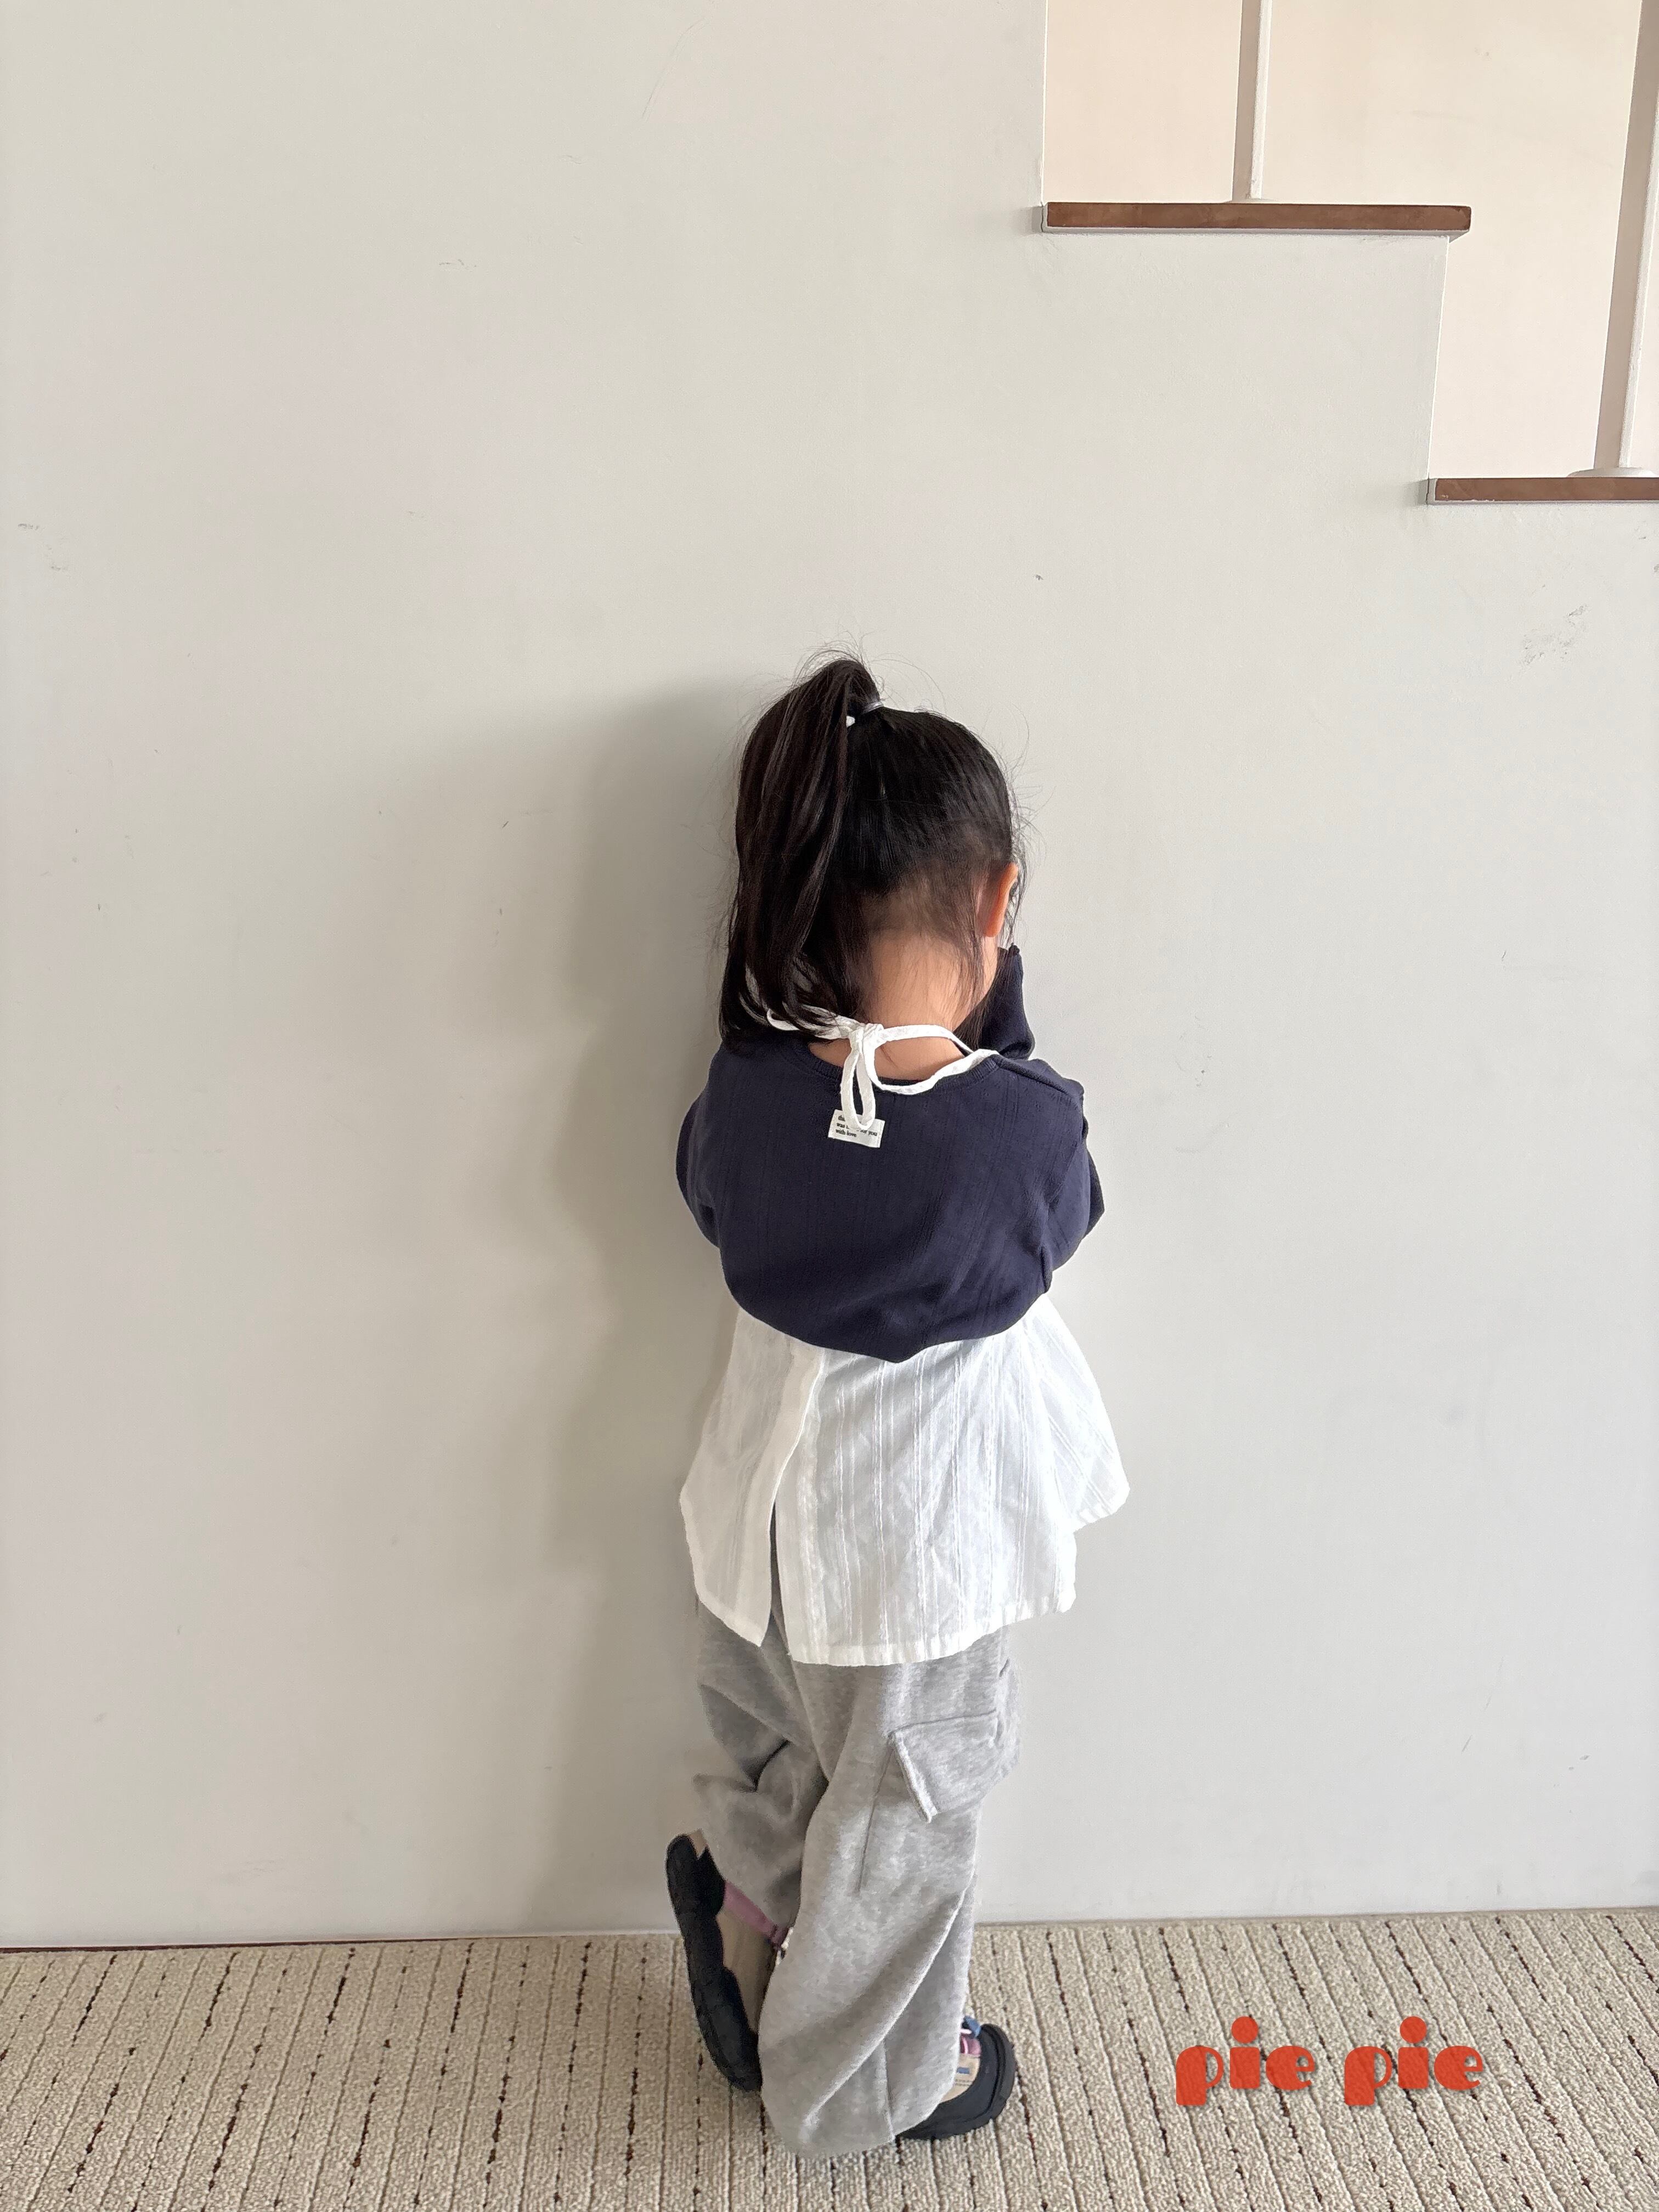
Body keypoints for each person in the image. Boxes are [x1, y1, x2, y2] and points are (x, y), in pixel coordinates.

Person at [665, 653, 1127, 2158]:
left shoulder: (747, 1098)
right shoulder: (1019, 1135)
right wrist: (992, 1008)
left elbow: (709, 1194)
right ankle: (866, 2089)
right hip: (911, 1566)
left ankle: (750, 1921)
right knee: (903, 1820)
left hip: (755, 1532)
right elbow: (1059, 1212)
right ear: (1000, 901)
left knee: (780, 1753)